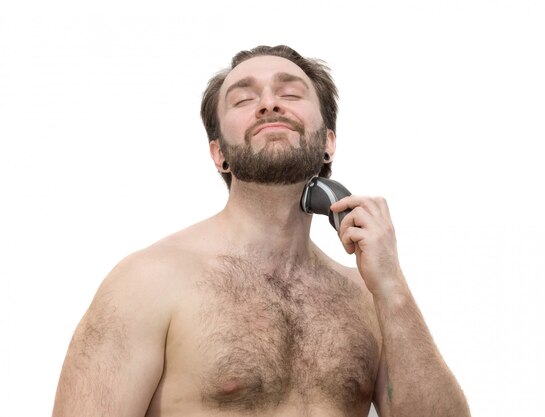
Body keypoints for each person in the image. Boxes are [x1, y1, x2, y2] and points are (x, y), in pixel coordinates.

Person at [52, 45, 470, 417]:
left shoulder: (366, 297)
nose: (269, 104)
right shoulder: (147, 282)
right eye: (244, 99)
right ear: (220, 155)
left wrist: (392, 287)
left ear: (328, 142)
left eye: (290, 93)